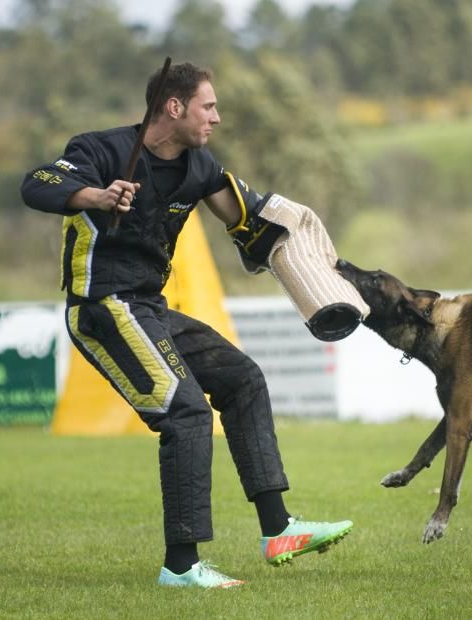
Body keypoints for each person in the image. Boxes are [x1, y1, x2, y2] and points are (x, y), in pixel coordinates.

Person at [20, 61, 353, 589]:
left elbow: (248, 221)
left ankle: (279, 530)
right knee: (186, 412)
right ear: (174, 107)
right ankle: (181, 567)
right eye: (209, 106)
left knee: (243, 379)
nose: (216, 118)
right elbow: (36, 184)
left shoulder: (200, 167)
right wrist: (98, 196)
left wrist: (321, 262)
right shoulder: (100, 149)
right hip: (102, 308)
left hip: (149, 308)